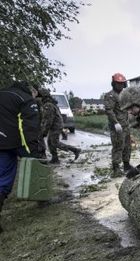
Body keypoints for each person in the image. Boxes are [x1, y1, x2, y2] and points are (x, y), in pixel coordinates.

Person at [0, 81, 43, 233]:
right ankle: (42, 199)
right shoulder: (25, 99)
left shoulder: (3, 94)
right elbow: (29, 127)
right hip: (17, 142)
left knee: (3, 177)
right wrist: (33, 149)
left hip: (1, 143)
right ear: (32, 91)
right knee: (38, 166)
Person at [37, 88, 81, 164]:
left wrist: (44, 132)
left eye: (39, 96)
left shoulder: (48, 105)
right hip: (56, 125)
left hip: (55, 126)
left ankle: (75, 150)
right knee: (50, 142)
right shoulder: (50, 103)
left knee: (55, 143)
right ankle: (55, 158)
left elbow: (48, 120)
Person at [104, 72, 132, 177]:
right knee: (118, 146)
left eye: (121, 83)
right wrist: (115, 123)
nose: (120, 85)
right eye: (118, 83)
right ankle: (116, 168)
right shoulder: (110, 95)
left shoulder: (124, 95)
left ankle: (126, 165)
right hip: (117, 127)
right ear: (114, 84)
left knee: (127, 146)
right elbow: (109, 110)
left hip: (125, 125)